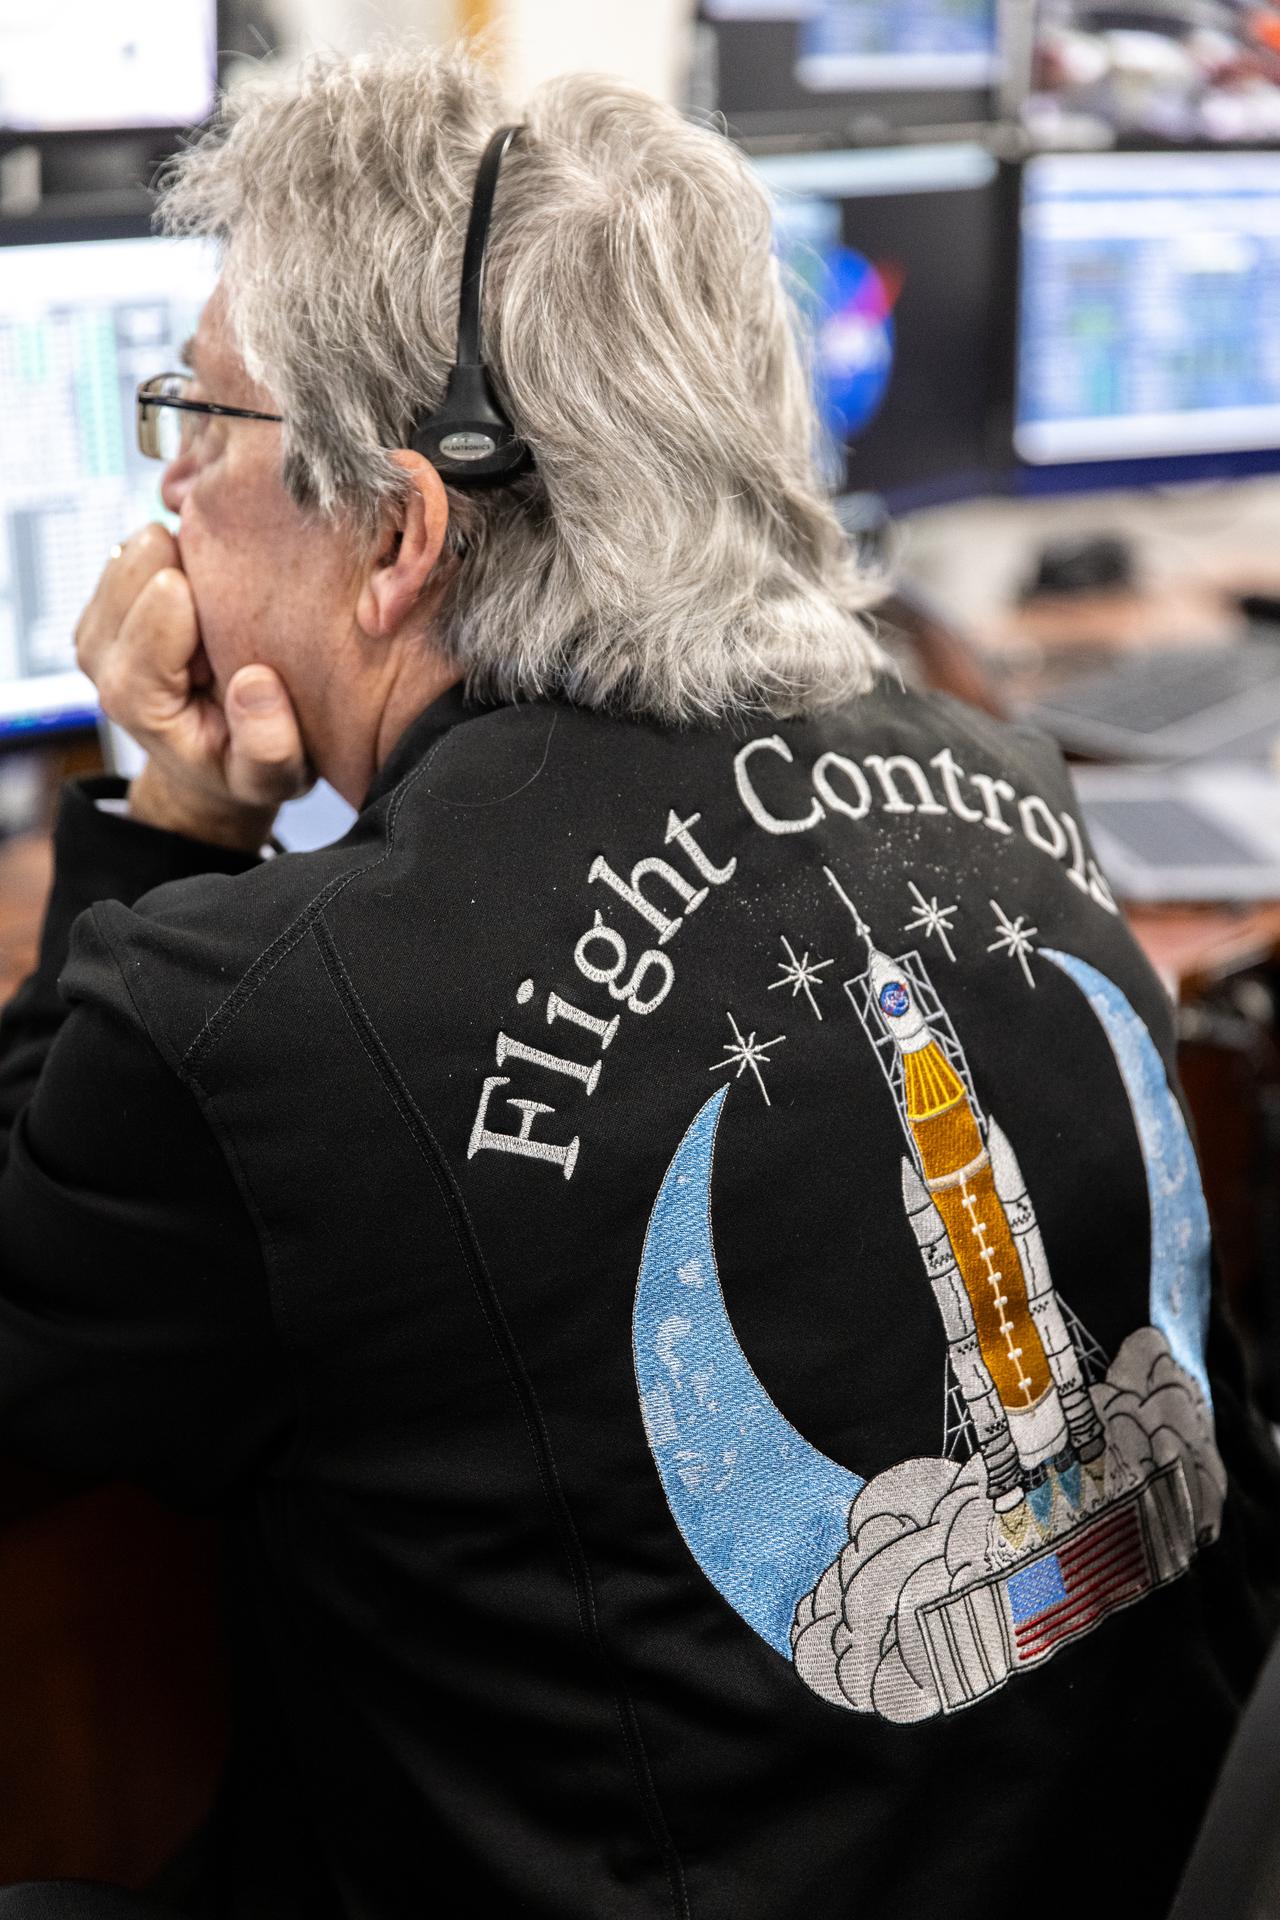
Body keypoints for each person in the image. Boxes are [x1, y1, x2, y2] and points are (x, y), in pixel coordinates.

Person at [0, 40, 1277, 1920]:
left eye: (200, 424)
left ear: (396, 538)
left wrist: (174, 810)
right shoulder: (999, 778)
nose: (169, 494)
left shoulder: (253, 1023)